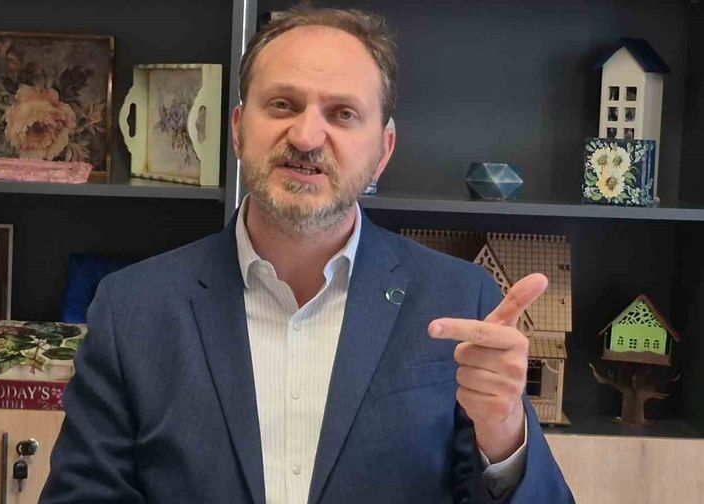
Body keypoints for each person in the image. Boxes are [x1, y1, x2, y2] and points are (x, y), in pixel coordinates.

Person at [40, 5, 574, 504]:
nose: (306, 135)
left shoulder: (461, 299)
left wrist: (503, 434)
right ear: (237, 129)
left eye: (343, 114)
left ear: (383, 150)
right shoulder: (132, 309)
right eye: (283, 105)